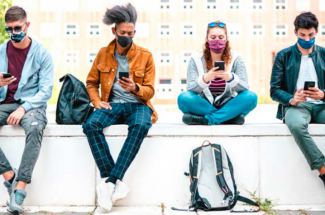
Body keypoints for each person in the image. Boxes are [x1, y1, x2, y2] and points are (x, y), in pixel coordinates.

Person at [82, 3, 158, 212]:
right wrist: (97, 102)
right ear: (113, 31)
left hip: (137, 104)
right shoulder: (103, 54)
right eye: (122, 32)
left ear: (135, 32)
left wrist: (135, 88)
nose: (126, 36)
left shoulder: (146, 55)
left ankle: (110, 181)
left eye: (130, 33)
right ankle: (112, 180)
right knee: (91, 125)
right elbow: (91, 83)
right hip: (112, 104)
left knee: (141, 126)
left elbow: (150, 91)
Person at [0, 6, 54, 214]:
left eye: (17, 28)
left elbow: (46, 91)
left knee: (34, 126)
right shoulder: (1, 50)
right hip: (4, 103)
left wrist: (23, 108)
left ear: (27, 25)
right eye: (10, 29)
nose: (14, 33)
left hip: (32, 106)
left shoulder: (42, 54)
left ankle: (20, 189)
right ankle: (9, 177)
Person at [270, 12, 325, 186]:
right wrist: (291, 99)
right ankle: (323, 169)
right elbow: (274, 89)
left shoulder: (323, 54)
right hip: (297, 106)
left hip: (322, 105)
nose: (306, 38)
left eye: (310, 35)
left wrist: (323, 94)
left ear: (316, 32)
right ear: (295, 32)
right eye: (302, 35)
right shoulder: (283, 56)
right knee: (295, 125)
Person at [178, 21, 257, 125]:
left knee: (251, 97)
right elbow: (190, 88)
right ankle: (228, 119)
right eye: (213, 37)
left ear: (226, 39)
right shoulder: (195, 59)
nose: (217, 40)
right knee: (183, 98)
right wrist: (205, 78)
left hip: (228, 104)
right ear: (207, 39)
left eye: (220, 37)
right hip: (204, 105)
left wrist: (230, 78)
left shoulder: (237, 58)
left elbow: (245, 87)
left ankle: (207, 120)